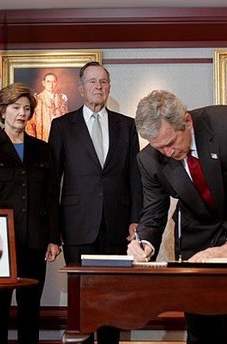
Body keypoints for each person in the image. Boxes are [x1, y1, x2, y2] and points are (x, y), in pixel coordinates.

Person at [127, 90, 227, 344]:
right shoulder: (149, 159)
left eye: (170, 142)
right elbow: (154, 211)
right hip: (199, 242)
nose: (167, 152)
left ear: (187, 121)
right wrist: (144, 242)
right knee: (205, 329)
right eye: (159, 147)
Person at [48, 61, 143, 344]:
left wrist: (135, 219)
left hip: (117, 225)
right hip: (77, 226)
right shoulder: (62, 126)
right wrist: (54, 232)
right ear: (80, 88)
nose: (98, 87)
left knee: (113, 297)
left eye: (103, 82)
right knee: (81, 300)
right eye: (92, 82)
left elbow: (134, 176)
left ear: (109, 86)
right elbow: (53, 181)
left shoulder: (126, 125)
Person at [0, 82, 61, 344]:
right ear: (2, 111)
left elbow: (51, 197)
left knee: (30, 307)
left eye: (26, 108)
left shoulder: (43, 149)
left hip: (35, 240)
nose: (22, 113)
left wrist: (54, 238)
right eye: (15, 107)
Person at [26, 72, 68, 142]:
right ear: (43, 83)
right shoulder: (37, 99)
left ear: (56, 83)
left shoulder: (62, 99)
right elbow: (30, 124)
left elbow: (66, 122)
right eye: (48, 81)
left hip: (59, 138)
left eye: (53, 82)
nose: (51, 84)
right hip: (42, 138)